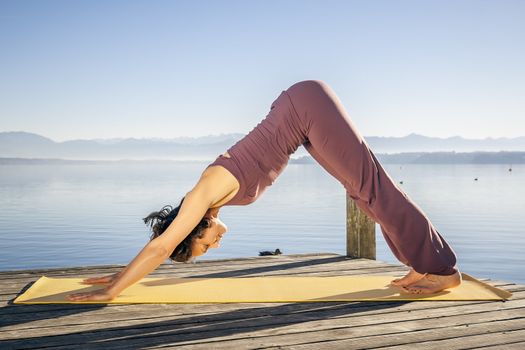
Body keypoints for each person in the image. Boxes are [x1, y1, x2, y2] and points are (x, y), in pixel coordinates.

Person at [66, 80, 461, 302]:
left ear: (197, 227)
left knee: (371, 186)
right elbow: (162, 243)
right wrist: (116, 275)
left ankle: (442, 270)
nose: (214, 247)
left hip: (304, 108)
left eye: (204, 247)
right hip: (299, 116)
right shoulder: (212, 197)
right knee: (361, 191)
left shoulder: (203, 192)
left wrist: (113, 290)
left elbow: (162, 246)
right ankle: (423, 263)